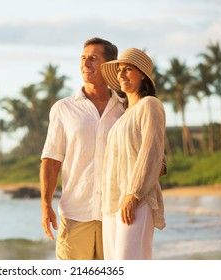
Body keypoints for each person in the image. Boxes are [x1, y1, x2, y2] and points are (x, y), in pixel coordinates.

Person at [40, 37, 125, 260]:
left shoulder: (126, 109)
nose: (86, 64)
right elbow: (51, 159)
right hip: (75, 215)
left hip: (115, 216)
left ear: (109, 66)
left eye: (93, 59)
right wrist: (45, 205)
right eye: (83, 58)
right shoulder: (63, 108)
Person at [100, 48, 166, 260]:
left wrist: (134, 194)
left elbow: (151, 152)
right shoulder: (123, 115)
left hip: (137, 199)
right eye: (119, 70)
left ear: (142, 75)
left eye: (128, 69)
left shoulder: (150, 105)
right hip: (113, 203)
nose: (121, 75)